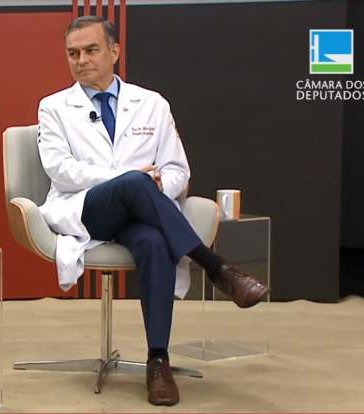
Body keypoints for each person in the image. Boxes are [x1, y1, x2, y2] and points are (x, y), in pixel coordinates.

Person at [36, 15, 270, 406]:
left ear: (114, 51)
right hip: (88, 210)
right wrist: (128, 180)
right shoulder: (54, 107)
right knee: (132, 182)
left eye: (91, 50)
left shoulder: (152, 104)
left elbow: (178, 170)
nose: (81, 60)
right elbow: (60, 169)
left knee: (154, 242)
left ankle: (158, 361)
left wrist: (159, 185)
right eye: (73, 54)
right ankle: (216, 267)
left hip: (142, 216)